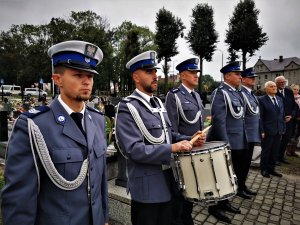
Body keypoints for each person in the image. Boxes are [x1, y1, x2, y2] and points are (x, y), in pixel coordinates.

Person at [1, 40, 109, 225]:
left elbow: (100, 180)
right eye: (77, 75)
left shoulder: (97, 120)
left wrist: (104, 217)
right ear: (57, 79)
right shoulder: (34, 126)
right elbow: (19, 201)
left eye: (90, 76)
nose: (86, 81)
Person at [115, 50, 205, 225]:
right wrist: (172, 148)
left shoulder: (157, 103)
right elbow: (133, 149)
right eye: (149, 72)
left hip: (168, 182)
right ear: (136, 77)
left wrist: (189, 138)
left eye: (155, 71)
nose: (155, 76)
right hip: (147, 189)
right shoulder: (128, 107)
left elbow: (168, 134)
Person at [165, 56, 204, 225]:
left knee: (191, 194)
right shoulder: (174, 96)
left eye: (197, 72)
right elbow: (171, 131)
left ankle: (187, 218)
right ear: (182, 75)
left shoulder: (196, 96)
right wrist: (190, 139)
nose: (196, 75)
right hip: (181, 154)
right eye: (192, 72)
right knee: (179, 196)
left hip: (195, 152)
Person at [206, 61, 245, 223]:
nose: (240, 77)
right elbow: (219, 121)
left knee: (230, 175)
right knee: (220, 175)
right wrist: (225, 143)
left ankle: (224, 202)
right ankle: (214, 207)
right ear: (227, 76)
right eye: (237, 74)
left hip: (238, 140)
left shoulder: (235, 92)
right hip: (227, 142)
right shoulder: (220, 93)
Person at [239, 67, 260, 197]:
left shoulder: (251, 94)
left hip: (252, 134)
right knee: (241, 164)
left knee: (246, 164)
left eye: (254, 77)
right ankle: (239, 187)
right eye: (251, 77)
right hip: (245, 135)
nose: (254, 79)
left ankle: (242, 185)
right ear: (244, 79)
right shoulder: (241, 93)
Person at [259, 81, 285, 178]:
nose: (274, 88)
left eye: (275, 86)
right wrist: (261, 130)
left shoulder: (279, 99)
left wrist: (283, 128)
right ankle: (264, 169)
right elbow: (260, 117)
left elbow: (282, 115)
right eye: (271, 86)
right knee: (266, 151)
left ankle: (271, 169)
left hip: (278, 130)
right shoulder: (261, 100)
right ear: (266, 89)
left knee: (275, 151)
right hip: (267, 131)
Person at [275, 75, 297, 164]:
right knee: (276, 141)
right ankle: (274, 158)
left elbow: (294, 106)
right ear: (276, 83)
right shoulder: (274, 91)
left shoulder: (289, 91)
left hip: (289, 121)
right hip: (278, 122)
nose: (283, 83)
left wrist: (291, 116)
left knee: (285, 140)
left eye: (284, 82)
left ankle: (281, 157)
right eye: (280, 82)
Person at [288, 84, 300, 156]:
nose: (296, 91)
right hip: (292, 119)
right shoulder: (290, 98)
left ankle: (293, 151)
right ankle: (288, 151)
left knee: (297, 135)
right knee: (291, 134)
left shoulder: (299, 98)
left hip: (299, 120)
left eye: (297, 89)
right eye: (294, 89)